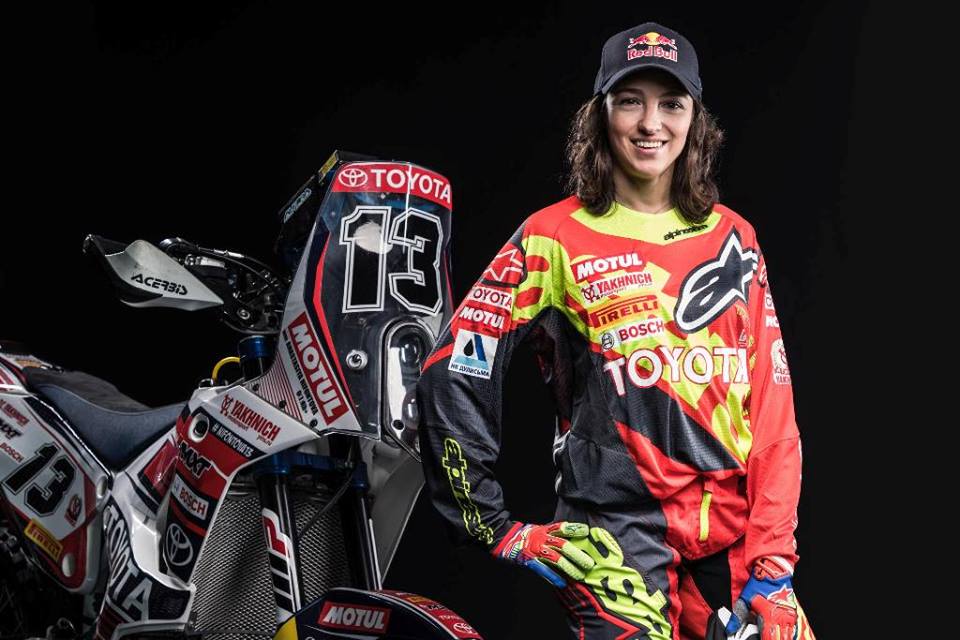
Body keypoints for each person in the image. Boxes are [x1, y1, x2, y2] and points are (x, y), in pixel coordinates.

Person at [415, 21, 815, 640]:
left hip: (735, 539)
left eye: (671, 104)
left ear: (695, 119)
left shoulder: (733, 238)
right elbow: (453, 369)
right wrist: (492, 525)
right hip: (614, 543)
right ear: (600, 114)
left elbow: (772, 409)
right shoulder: (552, 236)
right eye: (631, 101)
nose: (651, 123)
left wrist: (774, 564)